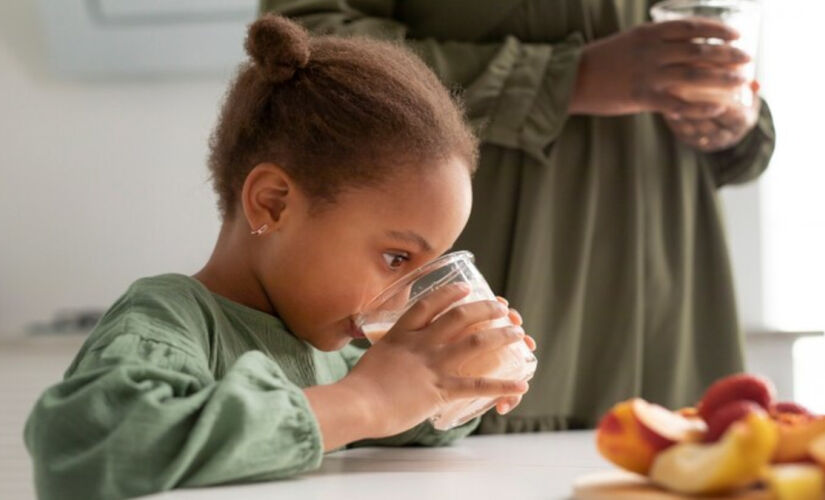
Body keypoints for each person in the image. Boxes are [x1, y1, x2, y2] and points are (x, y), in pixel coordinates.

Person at [24, 15, 534, 500]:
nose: (410, 293)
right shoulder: (172, 320)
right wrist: (365, 401)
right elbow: (89, 446)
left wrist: (451, 385)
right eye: (397, 257)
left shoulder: (333, 350)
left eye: (431, 266)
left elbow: (400, 420)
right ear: (272, 203)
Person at [260, 0, 776, 433]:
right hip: (512, 268)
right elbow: (306, 45)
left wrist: (739, 122)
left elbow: (735, 109)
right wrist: (565, 77)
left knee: (683, 461)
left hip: (674, 289)